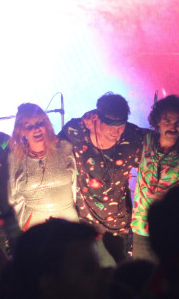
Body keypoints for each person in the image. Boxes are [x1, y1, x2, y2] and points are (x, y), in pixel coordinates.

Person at [58, 92, 148, 262]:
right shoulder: (77, 131)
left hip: (117, 227)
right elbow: (51, 149)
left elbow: (163, 143)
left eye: (121, 125)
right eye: (110, 125)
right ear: (97, 118)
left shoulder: (132, 137)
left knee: (112, 277)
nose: (116, 131)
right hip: (83, 224)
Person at [130, 95, 179, 262]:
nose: (173, 126)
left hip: (170, 231)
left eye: (178, 122)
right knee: (142, 280)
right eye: (167, 121)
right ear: (157, 122)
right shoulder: (146, 141)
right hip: (141, 229)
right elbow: (118, 124)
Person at [7, 103, 78, 230]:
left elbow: (76, 186)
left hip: (68, 224)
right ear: (21, 131)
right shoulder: (14, 158)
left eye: (40, 123)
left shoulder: (64, 148)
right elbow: (12, 199)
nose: (36, 129)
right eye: (29, 125)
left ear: (47, 125)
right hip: (36, 228)